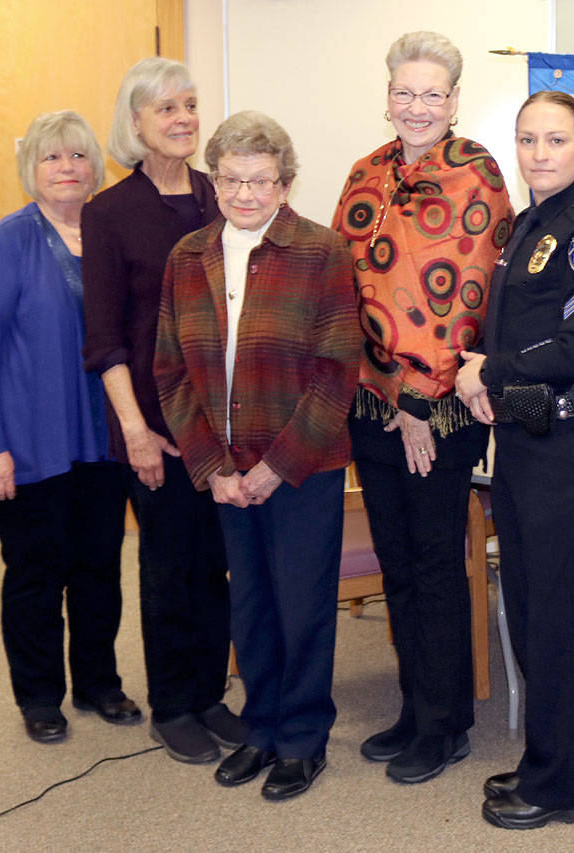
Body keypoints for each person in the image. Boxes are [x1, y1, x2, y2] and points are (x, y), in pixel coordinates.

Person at [155, 111, 360, 801]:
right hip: (226, 470)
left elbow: (337, 371)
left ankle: (303, 737)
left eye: (261, 180)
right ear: (214, 180)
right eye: (232, 179)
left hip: (301, 464)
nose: (245, 194)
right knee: (252, 608)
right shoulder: (188, 257)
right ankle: (262, 728)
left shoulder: (321, 251)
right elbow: (170, 370)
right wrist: (214, 468)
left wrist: (276, 466)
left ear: (286, 182)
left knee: (302, 606)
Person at [331, 31, 513, 785]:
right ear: (387, 95)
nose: (416, 106)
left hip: (435, 411)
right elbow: (342, 284)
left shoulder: (477, 173)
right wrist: (376, 389)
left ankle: (446, 723)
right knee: (398, 564)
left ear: (455, 100)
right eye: (404, 92)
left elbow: (468, 301)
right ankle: (414, 705)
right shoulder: (364, 172)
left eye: (431, 93)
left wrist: (414, 397)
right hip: (369, 402)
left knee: (437, 561)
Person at [456, 90, 574, 829]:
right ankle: (545, 759)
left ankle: (568, 784)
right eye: (528, 140)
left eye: (556, 140)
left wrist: (487, 372)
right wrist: (495, 387)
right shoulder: (531, 223)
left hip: (572, 452)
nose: (539, 153)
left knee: (561, 621)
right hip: (530, 441)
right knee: (530, 612)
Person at [0, 111, 137, 744]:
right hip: (26, 443)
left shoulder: (108, 230)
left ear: (96, 167)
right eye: (51, 158)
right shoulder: (13, 239)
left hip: (102, 438)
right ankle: (39, 697)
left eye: (78, 156)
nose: (67, 168)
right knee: (35, 573)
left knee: (98, 567)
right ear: (30, 171)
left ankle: (98, 683)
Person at [82, 57, 240, 763]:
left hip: (224, 421)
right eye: (165, 109)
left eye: (189, 104)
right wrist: (135, 431)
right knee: (170, 562)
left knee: (216, 561)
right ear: (136, 123)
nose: (182, 118)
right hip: (155, 423)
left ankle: (210, 693)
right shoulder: (110, 212)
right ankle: (173, 703)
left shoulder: (217, 193)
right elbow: (105, 338)